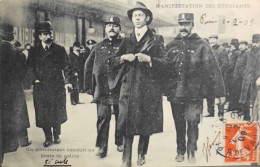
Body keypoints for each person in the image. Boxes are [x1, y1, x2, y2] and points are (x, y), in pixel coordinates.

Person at [110, 2, 169, 166]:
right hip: (128, 87)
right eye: (134, 15)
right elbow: (112, 61)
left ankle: (142, 153)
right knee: (126, 122)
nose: (137, 18)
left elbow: (166, 62)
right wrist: (123, 58)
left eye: (140, 15)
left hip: (148, 87)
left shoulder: (156, 39)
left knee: (145, 122)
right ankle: (126, 159)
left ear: (147, 18)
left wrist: (150, 59)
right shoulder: (126, 40)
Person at [165, 13, 215, 162]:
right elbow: (164, 68)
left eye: (187, 24)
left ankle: (191, 150)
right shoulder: (171, 45)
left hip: (195, 93)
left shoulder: (202, 45)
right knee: (179, 124)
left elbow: (210, 69)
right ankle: (180, 150)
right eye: (181, 24)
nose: (183, 27)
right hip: (176, 92)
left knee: (193, 122)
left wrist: (214, 92)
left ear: (192, 25)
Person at [84, 16, 124, 158]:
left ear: (120, 29)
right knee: (102, 117)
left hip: (120, 88)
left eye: (115, 25)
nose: (111, 28)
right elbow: (88, 66)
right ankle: (101, 147)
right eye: (108, 26)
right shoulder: (98, 46)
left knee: (121, 117)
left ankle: (120, 141)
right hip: (102, 89)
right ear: (105, 29)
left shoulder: (125, 45)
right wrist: (89, 87)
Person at [28, 21, 72, 147]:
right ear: (39, 37)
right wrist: (35, 79)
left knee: (56, 111)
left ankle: (56, 135)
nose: (47, 37)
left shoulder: (59, 49)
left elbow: (67, 66)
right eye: (44, 34)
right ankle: (47, 137)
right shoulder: (34, 50)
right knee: (43, 113)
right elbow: (30, 67)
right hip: (41, 86)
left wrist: (67, 81)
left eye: (49, 34)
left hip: (56, 86)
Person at [0, 22, 30, 166]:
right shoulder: (18, 53)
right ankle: (13, 144)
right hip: (13, 91)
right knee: (12, 117)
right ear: (12, 37)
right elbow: (23, 73)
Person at [204, 35, 228, 121]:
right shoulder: (208, 50)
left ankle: (221, 114)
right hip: (209, 76)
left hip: (218, 77)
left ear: (217, 40)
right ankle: (210, 112)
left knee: (220, 95)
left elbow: (225, 63)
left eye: (213, 39)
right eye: (210, 39)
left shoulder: (222, 50)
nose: (212, 41)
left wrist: (218, 72)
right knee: (209, 94)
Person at [240, 34, 260, 121]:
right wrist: (245, 74)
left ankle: (256, 119)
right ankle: (247, 118)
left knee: (256, 102)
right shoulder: (247, 53)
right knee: (245, 101)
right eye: (254, 42)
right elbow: (241, 66)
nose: (255, 44)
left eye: (257, 42)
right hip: (247, 81)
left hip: (258, 82)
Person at [232, 41, 249, 117]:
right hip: (237, 77)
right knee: (238, 94)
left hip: (242, 78)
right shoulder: (240, 54)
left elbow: (245, 66)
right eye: (240, 45)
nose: (241, 46)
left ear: (246, 46)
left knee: (244, 95)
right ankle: (239, 109)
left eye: (243, 45)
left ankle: (243, 110)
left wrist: (244, 75)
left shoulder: (247, 53)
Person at [226, 39, 241, 111]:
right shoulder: (238, 52)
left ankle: (232, 107)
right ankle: (234, 106)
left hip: (232, 76)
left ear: (234, 46)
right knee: (236, 92)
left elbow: (230, 65)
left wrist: (227, 70)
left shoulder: (234, 53)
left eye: (231, 45)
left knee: (232, 92)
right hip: (237, 76)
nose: (230, 47)